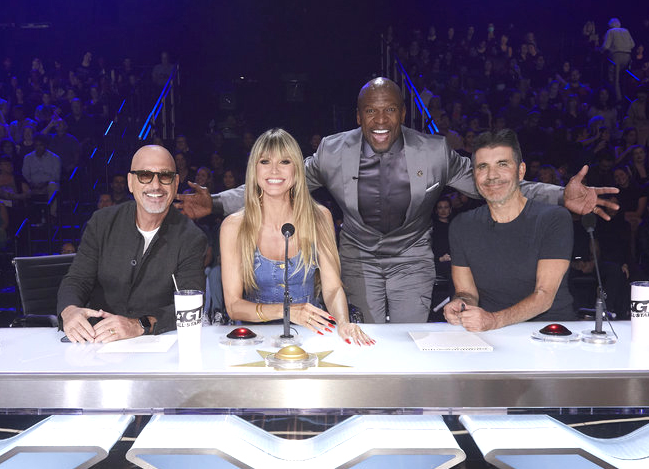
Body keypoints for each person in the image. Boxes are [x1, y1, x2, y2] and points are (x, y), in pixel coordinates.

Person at [178, 78, 618, 323]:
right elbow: (276, 179)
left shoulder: (434, 151)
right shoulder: (333, 152)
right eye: (371, 111)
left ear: (402, 112)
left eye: (390, 109)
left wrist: (562, 195)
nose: (381, 119)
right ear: (358, 117)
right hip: (358, 255)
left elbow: (492, 182)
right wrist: (215, 203)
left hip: (411, 255)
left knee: (407, 337)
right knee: (368, 335)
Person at [219, 129, 372, 345]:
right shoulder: (233, 226)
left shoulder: (319, 217)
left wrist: (343, 322)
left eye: (284, 161)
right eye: (264, 162)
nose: (274, 170)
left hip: (311, 334)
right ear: (254, 169)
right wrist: (288, 311)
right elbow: (233, 305)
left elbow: (332, 287)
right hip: (255, 339)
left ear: (297, 169)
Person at [57, 145, 207, 342]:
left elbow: (191, 306)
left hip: (156, 346)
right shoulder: (101, 222)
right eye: (145, 175)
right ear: (130, 182)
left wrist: (140, 324)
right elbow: (77, 280)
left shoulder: (191, 237)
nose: (156, 185)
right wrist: (69, 312)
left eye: (165, 176)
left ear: (176, 182)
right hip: (97, 343)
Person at [443, 130, 574, 331]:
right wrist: (460, 303)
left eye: (502, 164)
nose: (492, 176)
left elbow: (544, 296)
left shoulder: (553, 219)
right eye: (483, 167)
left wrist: (494, 320)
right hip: (491, 334)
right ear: (474, 175)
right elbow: (467, 292)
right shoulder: (462, 225)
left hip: (550, 332)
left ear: (521, 171)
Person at [602, 18, 635, 101]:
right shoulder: (626, 31)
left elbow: (606, 46)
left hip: (616, 56)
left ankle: (617, 99)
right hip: (627, 57)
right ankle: (625, 96)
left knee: (614, 79)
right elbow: (633, 44)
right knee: (624, 78)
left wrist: (599, 50)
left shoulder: (611, 32)